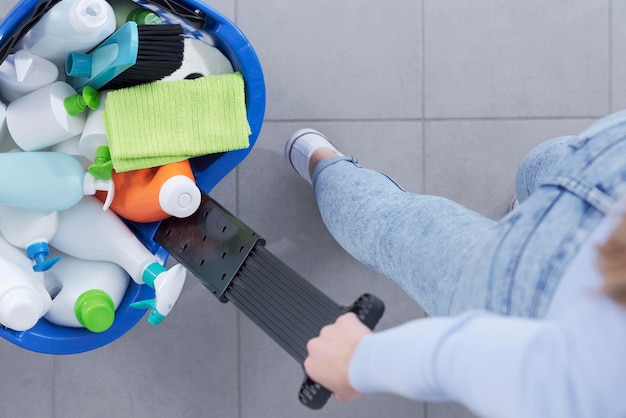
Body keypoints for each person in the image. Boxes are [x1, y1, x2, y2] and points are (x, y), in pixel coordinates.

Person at [283, 110, 626, 417]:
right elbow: (518, 370)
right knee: (393, 229)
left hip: (609, 163)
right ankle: (323, 163)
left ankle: (531, 216)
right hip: (534, 299)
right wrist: (359, 361)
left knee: (545, 163)